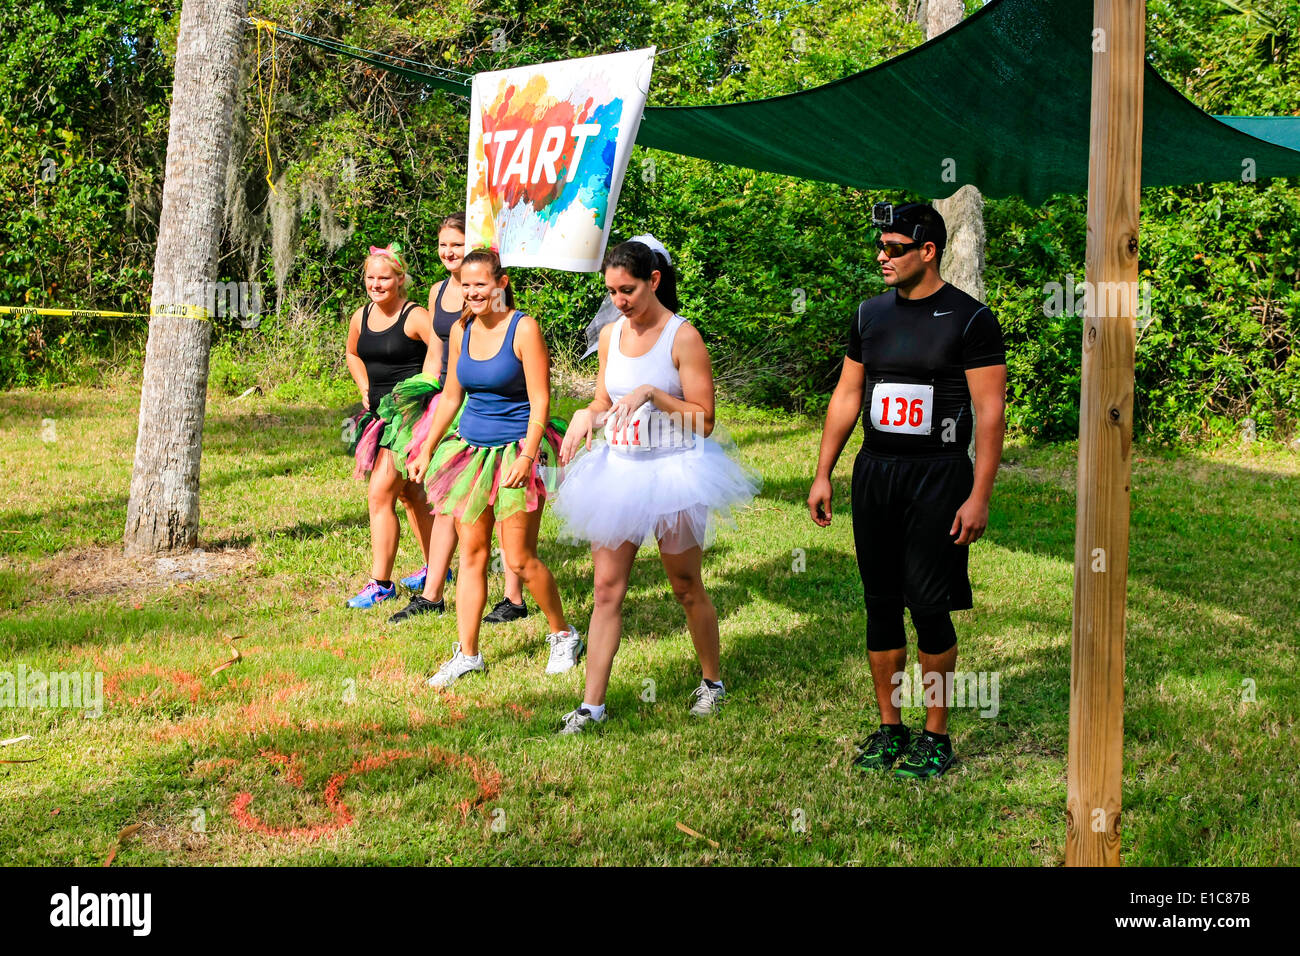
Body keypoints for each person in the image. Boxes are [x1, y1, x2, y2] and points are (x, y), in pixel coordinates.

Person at [807, 202, 1006, 780]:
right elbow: (847, 396)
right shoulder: (870, 315)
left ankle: (936, 735)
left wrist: (980, 494)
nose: (882, 257)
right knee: (880, 603)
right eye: (881, 246)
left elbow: (990, 412)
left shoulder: (970, 319)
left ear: (928, 252)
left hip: (939, 476)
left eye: (894, 248)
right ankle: (890, 728)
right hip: (877, 472)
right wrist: (825, 471)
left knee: (930, 605)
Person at [551, 237, 760, 734]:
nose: (619, 301)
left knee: (685, 585)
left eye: (627, 290)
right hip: (619, 471)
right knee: (606, 590)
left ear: (654, 281)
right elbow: (605, 400)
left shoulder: (682, 337)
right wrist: (586, 414)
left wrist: (653, 393)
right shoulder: (610, 335)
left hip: (675, 471)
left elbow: (704, 421)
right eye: (611, 291)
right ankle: (591, 706)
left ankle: (711, 682)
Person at [409, 249, 580, 686]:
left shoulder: (524, 328)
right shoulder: (462, 329)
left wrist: (527, 455)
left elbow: (540, 399)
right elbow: (451, 395)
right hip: (470, 452)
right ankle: (468, 654)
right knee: (473, 554)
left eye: (481, 284)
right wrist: (427, 448)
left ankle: (563, 633)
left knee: (519, 559)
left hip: (519, 451)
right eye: (466, 285)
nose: (472, 293)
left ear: (500, 283)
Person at [386, 212, 529, 624]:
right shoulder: (436, 292)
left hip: (483, 397)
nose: (450, 252)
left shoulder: (490, 292)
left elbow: (499, 334)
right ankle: (432, 592)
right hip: (448, 394)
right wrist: (425, 393)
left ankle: (513, 594)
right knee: (446, 501)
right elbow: (437, 348)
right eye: (444, 244)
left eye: (458, 244)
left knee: (496, 501)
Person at [344, 243, 439, 609]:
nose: (376, 284)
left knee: (379, 495)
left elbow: (444, 348)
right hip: (378, 417)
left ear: (400, 280)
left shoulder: (414, 316)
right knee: (410, 494)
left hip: (409, 417)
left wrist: (427, 390)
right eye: (371, 278)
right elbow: (352, 353)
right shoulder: (361, 316)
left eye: (384, 278)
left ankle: (380, 583)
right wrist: (364, 386)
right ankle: (437, 567)